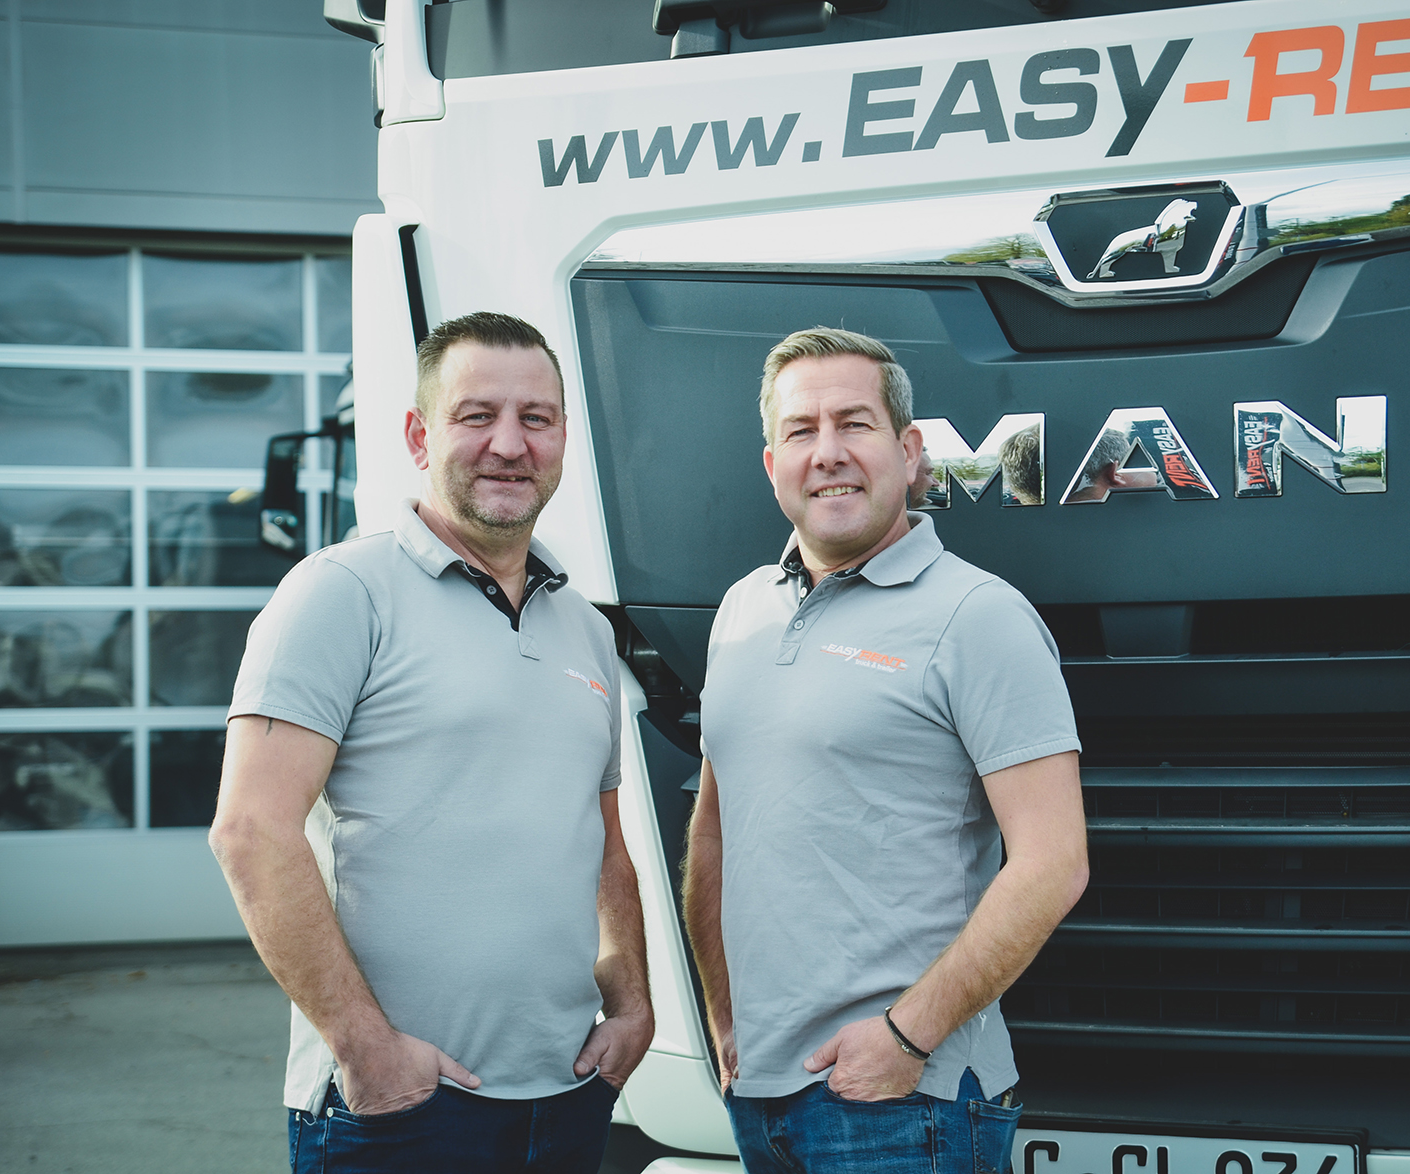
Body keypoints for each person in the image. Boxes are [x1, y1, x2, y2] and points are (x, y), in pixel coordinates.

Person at [209, 311, 653, 1173]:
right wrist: (367, 1049)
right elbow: (251, 833)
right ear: (419, 435)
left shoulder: (584, 627)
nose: (509, 444)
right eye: (476, 415)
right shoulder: (341, 593)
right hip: (400, 1108)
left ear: (564, 436)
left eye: (536, 418)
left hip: (566, 1093)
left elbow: (600, 838)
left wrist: (631, 1002)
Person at [683, 327, 1089, 1173]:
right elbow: (717, 830)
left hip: (910, 1105)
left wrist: (908, 1038)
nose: (827, 453)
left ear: (908, 452)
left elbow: (1054, 863)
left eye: (854, 424)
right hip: (761, 1092)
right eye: (801, 431)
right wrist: (726, 1018)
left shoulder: (978, 616)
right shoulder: (741, 611)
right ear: (772, 466)